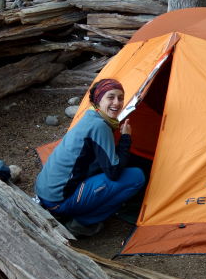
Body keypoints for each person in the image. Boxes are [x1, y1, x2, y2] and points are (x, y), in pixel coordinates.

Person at [35, 78, 145, 236]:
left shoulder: (91, 117)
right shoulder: (100, 126)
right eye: (111, 97)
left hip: (44, 191)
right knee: (136, 177)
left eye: (120, 98)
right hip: (57, 201)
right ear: (99, 99)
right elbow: (113, 172)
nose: (117, 102)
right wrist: (125, 139)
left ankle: (75, 208)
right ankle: (82, 222)